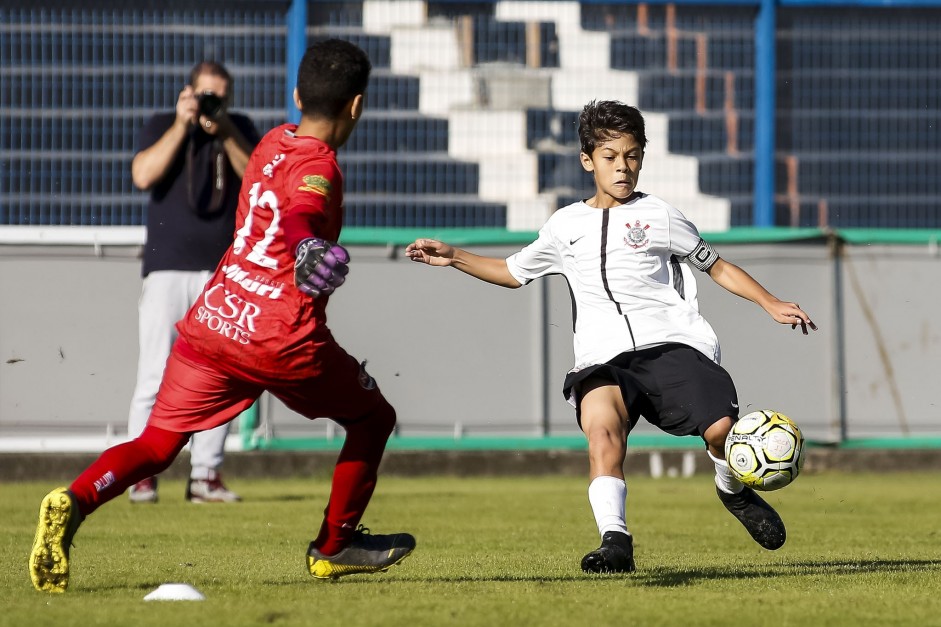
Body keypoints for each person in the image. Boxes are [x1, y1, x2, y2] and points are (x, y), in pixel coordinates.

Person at [29, 39, 415, 594]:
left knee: (158, 444)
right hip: (279, 336)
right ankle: (335, 545)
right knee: (373, 418)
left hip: (215, 319)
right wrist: (307, 246)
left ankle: (74, 499)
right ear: (357, 106)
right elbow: (305, 206)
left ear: (297, 95)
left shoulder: (269, 143)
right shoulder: (320, 165)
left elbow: (282, 201)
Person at [405, 100, 817, 574]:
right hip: (604, 358)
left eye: (633, 155)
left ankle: (733, 490)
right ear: (588, 160)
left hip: (673, 346)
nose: (623, 167)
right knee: (602, 433)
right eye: (610, 156)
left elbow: (717, 265)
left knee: (723, 434)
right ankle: (615, 541)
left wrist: (770, 302)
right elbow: (512, 272)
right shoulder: (564, 226)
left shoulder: (661, 216)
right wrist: (453, 255)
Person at [128, 60, 261, 504]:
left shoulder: (238, 128)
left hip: (222, 270)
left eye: (220, 96)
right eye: (205, 94)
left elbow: (258, 182)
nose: (212, 103)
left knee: (219, 374)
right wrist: (184, 124)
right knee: (155, 372)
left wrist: (223, 128)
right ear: (188, 92)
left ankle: (205, 475)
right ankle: (140, 472)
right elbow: (143, 174)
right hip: (167, 267)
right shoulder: (163, 124)